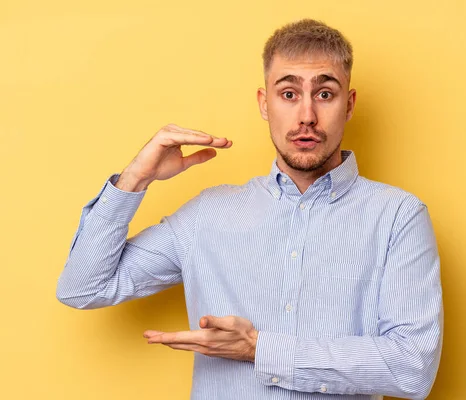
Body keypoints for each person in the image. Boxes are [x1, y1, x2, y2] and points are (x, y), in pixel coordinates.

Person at [56, 18, 443, 400]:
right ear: (264, 103)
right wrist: (134, 179)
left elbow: (413, 367)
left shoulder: (397, 217)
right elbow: (83, 287)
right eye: (288, 94)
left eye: (325, 94)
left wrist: (259, 348)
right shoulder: (206, 216)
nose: (307, 115)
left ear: (349, 104)